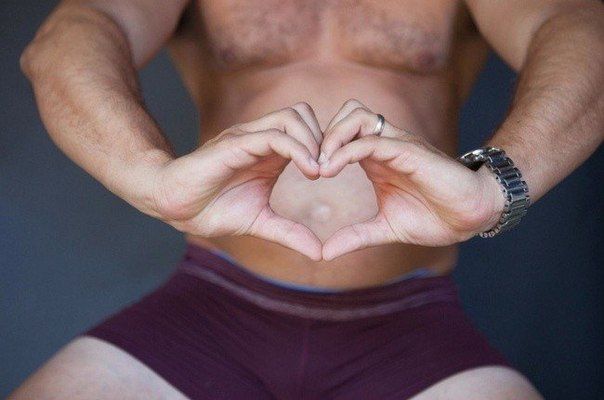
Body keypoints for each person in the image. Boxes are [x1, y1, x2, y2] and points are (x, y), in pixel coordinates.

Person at [11, 0, 603, 398]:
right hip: (205, 318)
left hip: (413, 333)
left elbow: (582, 29)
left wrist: (496, 189)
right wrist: (150, 178)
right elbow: (72, 35)